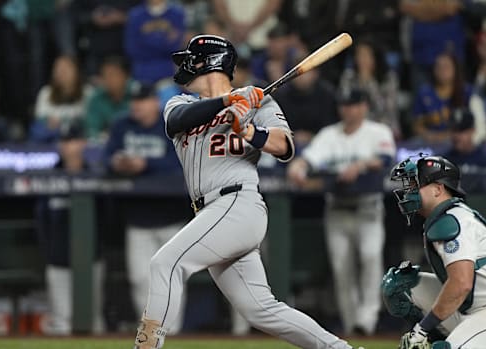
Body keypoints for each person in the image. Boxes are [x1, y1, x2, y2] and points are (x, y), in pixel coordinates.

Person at [132, 34, 353, 349]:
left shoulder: (259, 101)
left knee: (165, 263)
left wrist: (249, 129)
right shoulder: (180, 103)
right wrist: (227, 103)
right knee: (260, 309)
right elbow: (177, 122)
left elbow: (285, 147)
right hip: (212, 212)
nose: (184, 65)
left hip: (239, 203)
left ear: (207, 62)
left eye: (190, 59)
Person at [383, 154, 486, 349]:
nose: (408, 192)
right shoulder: (445, 216)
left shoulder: (454, 219)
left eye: (415, 185)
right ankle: (439, 341)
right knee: (400, 286)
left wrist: (421, 329)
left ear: (438, 189)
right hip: (476, 307)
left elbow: (461, 284)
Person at [286, 87, 396, 336]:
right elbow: (309, 159)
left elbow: (386, 158)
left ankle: (366, 320)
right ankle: (351, 326)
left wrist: (361, 164)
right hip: (336, 208)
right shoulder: (329, 135)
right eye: (345, 105)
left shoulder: (377, 131)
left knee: (370, 258)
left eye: (354, 104)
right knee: (342, 269)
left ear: (364, 107)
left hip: (369, 208)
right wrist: (299, 165)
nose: (348, 109)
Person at [104, 81, 189, 334]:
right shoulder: (122, 126)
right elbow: (107, 158)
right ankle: (150, 333)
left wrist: (146, 165)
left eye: (142, 101)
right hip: (137, 218)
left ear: (155, 102)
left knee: (172, 279)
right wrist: (119, 163)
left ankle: (171, 334)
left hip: (172, 218)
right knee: (140, 278)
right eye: (134, 102)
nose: (137, 107)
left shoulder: (170, 126)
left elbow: (181, 163)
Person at [35, 120, 105, 335]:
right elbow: (41, 221)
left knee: (93, 322)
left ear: (83, 143)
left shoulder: (95, 175)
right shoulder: (49, 177)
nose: (68, 146)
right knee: (61, 323)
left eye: (73, 141)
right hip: (58, 259)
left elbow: (106, 218)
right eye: (65, 142)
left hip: (91, 259)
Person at [339, 39, 400, 138]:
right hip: (356, 127)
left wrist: (369, 82)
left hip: (384, 126)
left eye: (366, 55)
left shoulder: (389, 78)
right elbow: (344, 104)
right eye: (359, 55)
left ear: (376, 57)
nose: (362, 60)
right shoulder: (348, 77)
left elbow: (385, 109)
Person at [30, 55, 93, 143]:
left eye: (66, 69)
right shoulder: (46, 92)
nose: (61, 72)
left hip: (79, 136)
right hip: (51, 135)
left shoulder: (88, 92)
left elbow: (88, 119)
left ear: (76, 71)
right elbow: (40, 119)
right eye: (58, 69)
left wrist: (62, 122)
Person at [412, 52, 472, 144]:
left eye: (446, 67)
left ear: (455, 69)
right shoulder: (424, 93)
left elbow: (474, 123)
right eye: (438, 67)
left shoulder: (466, 91)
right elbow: (416, 125)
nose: (442, 70)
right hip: (430, 140)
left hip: (459, 140)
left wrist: (452, 135)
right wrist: (429, 136)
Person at [124, 0, 185, 84]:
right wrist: (163, 43)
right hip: (142, 72)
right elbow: (132, 48)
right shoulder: (135, 15)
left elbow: (176, 46)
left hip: (169, 72)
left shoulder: (177, 14)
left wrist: (146, 41)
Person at [443, 108, 486, 193]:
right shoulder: (442, 161)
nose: (457, 136)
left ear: (472, 131)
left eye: (462, 131)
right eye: (454, 130)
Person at [84, 56, 132, 143]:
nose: (108, 79)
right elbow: (92, 129)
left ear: (126, 76)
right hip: (105, 143)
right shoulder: (96, 99)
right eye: (104, 76)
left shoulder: (137, 96)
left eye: (113, 75)